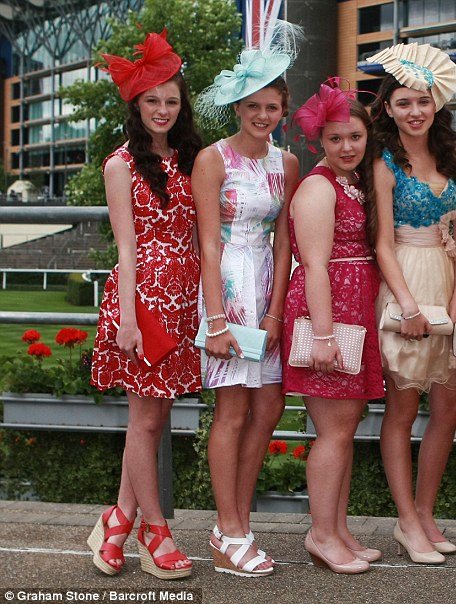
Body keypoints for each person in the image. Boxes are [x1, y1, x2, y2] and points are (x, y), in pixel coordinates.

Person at [89, 31, 202, 580]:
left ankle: (118, 517)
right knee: (145, 418)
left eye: (171, 100)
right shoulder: (119, 165)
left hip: (183, 295)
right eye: (152, 100)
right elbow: (126, 249)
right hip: (144, 297)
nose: (162, 109)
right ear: (137, 105)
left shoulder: (191, 158)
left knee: (157, 417)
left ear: (182, 106)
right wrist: (129, 319)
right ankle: (154, 531)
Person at [192, 17, 301, 577]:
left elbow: (285, 242)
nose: (263, 116)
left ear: (283, 110)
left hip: (267, 290)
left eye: (272, 107)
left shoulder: (287, 163)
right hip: (229, 289)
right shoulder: (212, 160)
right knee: (232, 409)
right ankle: (230, 529)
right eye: (253, 106)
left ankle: (234, 524)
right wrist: (215, 319)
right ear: (237, 107)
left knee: (270, 406)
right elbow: (208, 244)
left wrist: (278, 309)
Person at [364, 43, 456, 564]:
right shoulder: (384, 163)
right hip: (405, 277)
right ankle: (406, 520)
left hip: (448, 282)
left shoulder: (452, 160)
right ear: (388, 107)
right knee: (404, 406)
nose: (415, 111)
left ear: (437, 106)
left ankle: (426, 513)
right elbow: (381, 241)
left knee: (447, 407)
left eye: (423, 102)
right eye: (404, 102)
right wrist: (406, 304)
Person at [283, 82, 383, 574]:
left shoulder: (351, 182)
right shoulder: (319, 186)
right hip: (330, 313)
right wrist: (323, 335)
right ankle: (322, 534)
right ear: (319, 141)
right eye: (336, 138)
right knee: (334, 431)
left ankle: (337, 529)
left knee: (344, 428)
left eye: (355, 137)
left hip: (353, 309)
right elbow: (316, 264)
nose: (347, 147)